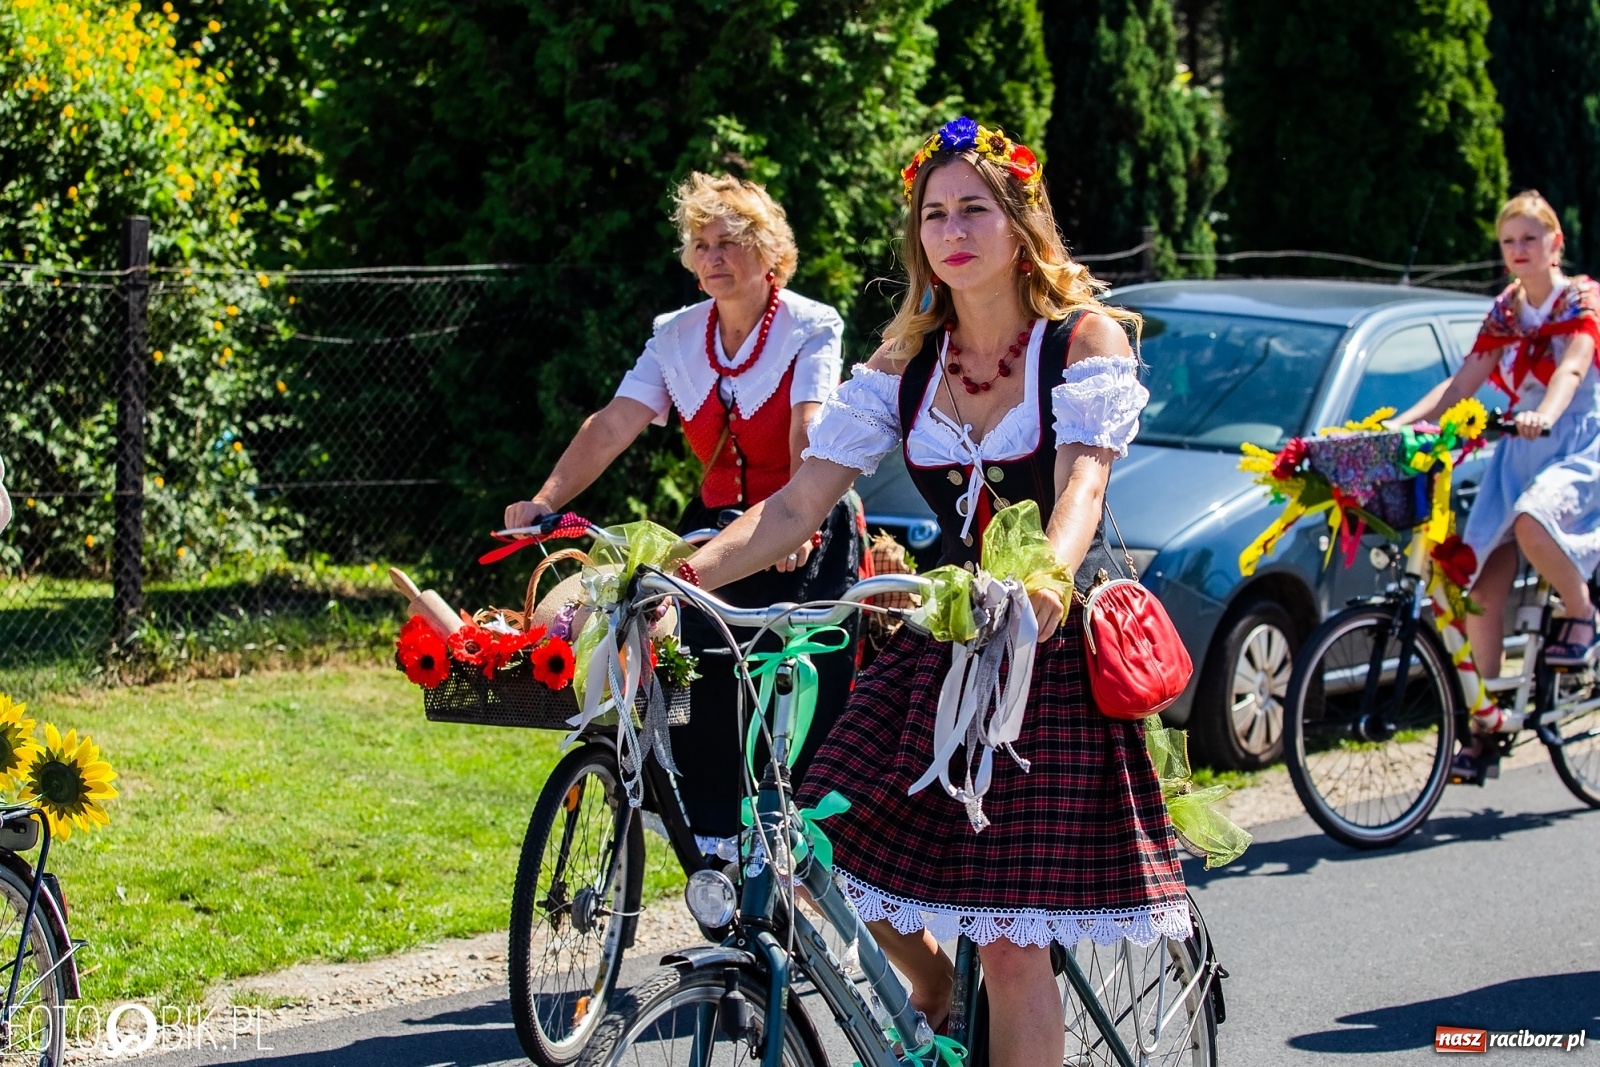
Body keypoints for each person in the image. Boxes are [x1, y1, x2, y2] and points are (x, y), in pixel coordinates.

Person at [676, 117, 1188, 1067]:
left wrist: (1044, 577)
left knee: (1010, 938)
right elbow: (793, 506)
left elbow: (1081, 484)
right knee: (808, 841)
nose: (951, 230)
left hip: (1043, 658)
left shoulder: (1079, 340)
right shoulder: (908, 361)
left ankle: (982, 991)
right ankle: (931, 984)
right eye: (934, 214)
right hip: (935, 644)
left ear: (1020, 221)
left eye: (974, 209)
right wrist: (680, 575)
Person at [504, 172, 859, 857]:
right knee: (684, 644)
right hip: (721, 523)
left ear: (770, 254)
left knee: (802, 672)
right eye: (700, 245)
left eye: (728, 242)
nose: (711, 257)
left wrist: (804, 519)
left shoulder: (810, 325)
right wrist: (547, 501)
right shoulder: (675, 336)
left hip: (808, 520)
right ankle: (715, 844)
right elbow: (613, 424)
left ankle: (801, 841)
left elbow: (809, 426)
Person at [1394, 191, 1600, 756]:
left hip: (1580, 443)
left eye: (1530, 238)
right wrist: (1395, 424)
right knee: (1478, 580)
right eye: (1509, 242)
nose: (1518, 250)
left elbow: (1575, 366)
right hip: (1520, 452)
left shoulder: (1581, 297)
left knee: (1534, 521)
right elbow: (1462, 382)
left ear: (1556, 243)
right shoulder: (1507, 307)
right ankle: (1488, 721)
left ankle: (1585, 615)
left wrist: (1545, 415)